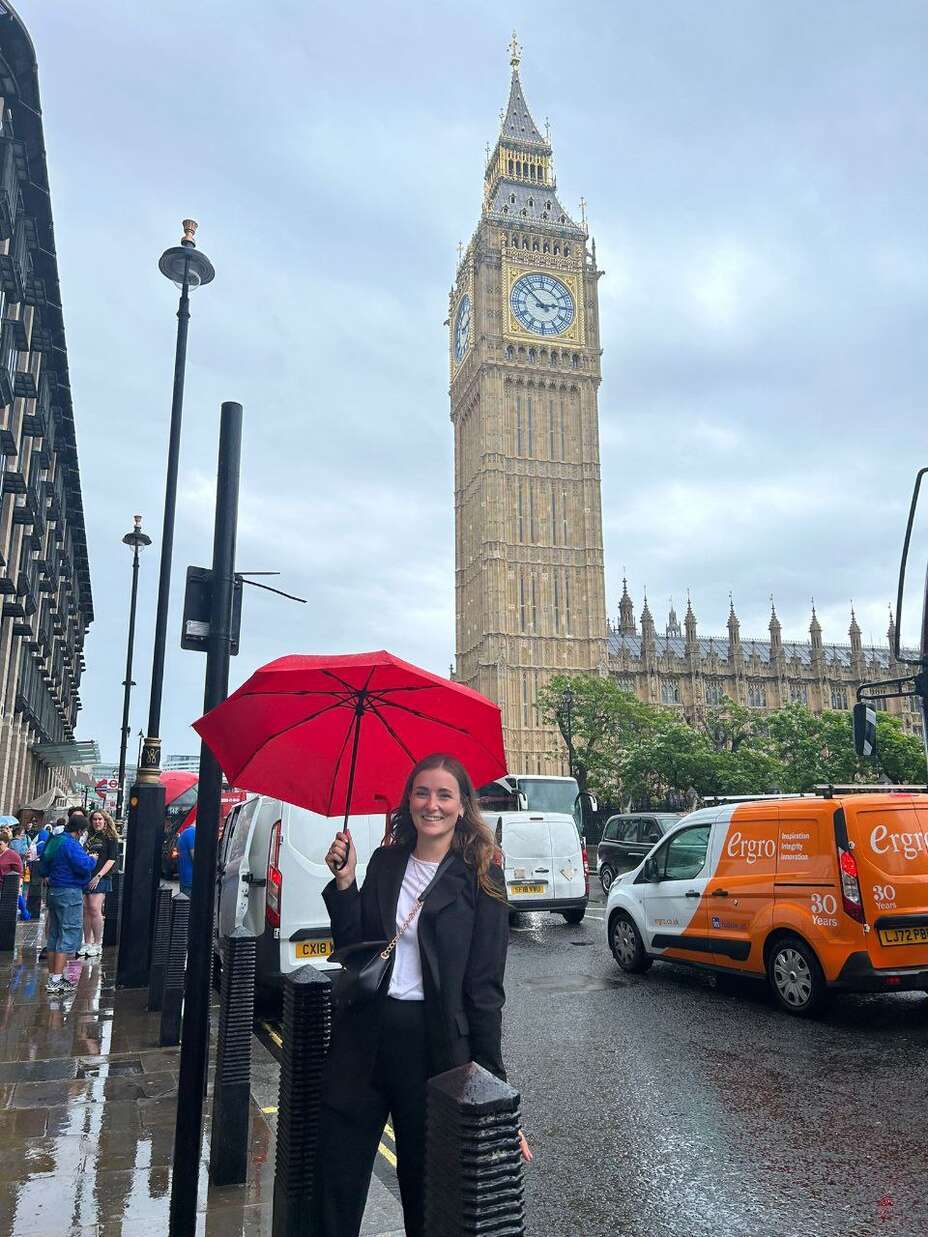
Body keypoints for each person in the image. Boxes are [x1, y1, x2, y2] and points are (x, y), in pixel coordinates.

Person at [317, 752, 531, 1237]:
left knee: (426, 1187)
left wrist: (495, 1090)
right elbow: (356, 948)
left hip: (433, 1048)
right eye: (421, 792)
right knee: (336, 1174)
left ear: (462, 806)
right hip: (365, 1039)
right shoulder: (388, 861)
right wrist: (345, 882)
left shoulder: (482, 876)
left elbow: (484, 990)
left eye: (443, 795)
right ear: (408, 800)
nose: (430, 804)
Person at [43, 814, 95, 993]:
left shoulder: (55, 840)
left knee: (54, 934)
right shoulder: (71, 844)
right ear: (80, 831)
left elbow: (44, 862)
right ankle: (56, 980)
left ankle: (52, 977)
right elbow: (83, 865)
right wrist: (92, 859)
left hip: (54, 890)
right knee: (67, 933)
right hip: (69, 892)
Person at [79, 809, 118, 957]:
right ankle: (87, 942)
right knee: (86, 909)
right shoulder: (88, 835)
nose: (97, 822)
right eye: (95, 819)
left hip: (101, 877)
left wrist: (99, 876)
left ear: (105, 820)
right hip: (86, 876)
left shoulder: (110, 837)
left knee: (95, 908)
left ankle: (97, 943)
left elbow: (112, 859)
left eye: (100, 819)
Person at [176, 823, 196, 898]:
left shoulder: (185, 833)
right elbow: (195, 857)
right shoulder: (191, 833)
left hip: (185, 878)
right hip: (191, 880)